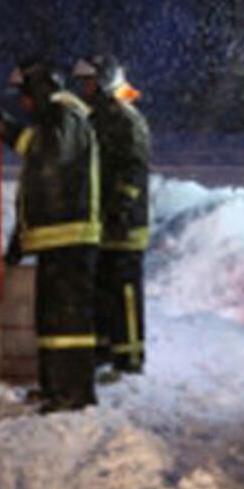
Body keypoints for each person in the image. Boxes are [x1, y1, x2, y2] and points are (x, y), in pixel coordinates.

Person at [0, 58, 100, 411]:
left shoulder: (64, 116)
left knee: (68, 324)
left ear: (38, 89)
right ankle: (56, 388)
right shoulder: (55, 118)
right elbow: (40, 185)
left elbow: (46, 156)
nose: (21, 104)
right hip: (57, 240)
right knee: (53, 323)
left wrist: (5, 129)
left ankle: (73, 393)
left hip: (70, 238)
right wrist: (18, 242)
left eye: (23, 95)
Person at [72, 56, 151, 378]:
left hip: (125, 226)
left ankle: (130, 357)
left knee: (125, 293)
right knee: (103, 291)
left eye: (90, 82)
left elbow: (133, 168)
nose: (85, 89)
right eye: (82, 84)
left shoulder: (125, 119)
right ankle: (104, 351)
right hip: (101, 221)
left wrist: (120, 206)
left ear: (105, 81)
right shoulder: (95, 118)